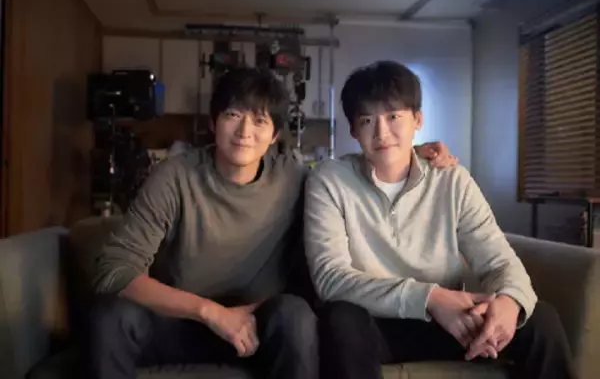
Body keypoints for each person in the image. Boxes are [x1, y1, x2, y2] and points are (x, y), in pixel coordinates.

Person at [88, 67, 456, 379]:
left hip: (261, 327)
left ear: (275, 135)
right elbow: (113, 270)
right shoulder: (174, 177)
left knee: (296, 315)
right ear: (214, 121)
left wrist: (408, 154)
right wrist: (210, 312)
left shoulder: (294, 178)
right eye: (233, 115)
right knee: (109, 317)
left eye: (260, 120)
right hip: (186, 322)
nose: (245, 131)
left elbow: (350, 174)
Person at [304, 61, 577, 379]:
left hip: (450, 324)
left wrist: (510, 300)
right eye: (367, 120)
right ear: (353, 130)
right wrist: (431, 298)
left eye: (393, 117)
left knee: (540, 318)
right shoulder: (330, 180)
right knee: (342, 319)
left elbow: (499, 261)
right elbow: (331, 279)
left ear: (418, 120)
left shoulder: (452, 180)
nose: (381, 133)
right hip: (376, 325)